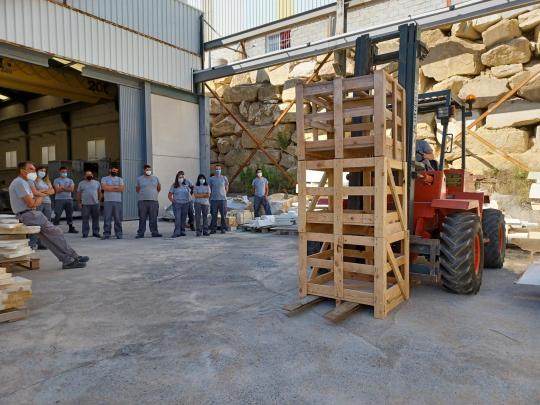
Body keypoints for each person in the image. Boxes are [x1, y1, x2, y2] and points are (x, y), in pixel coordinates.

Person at [9, 161, 88, 269]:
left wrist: (39, 194)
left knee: (48, 239)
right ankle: (74, 256)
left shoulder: (23, 182)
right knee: (56, 233)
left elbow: (37, 196)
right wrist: (42, 195)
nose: (34, 171)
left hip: (28, 214)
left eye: (34, 169)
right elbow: (32, 203)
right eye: (31, 169)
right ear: (22, 171)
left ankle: (68, 260)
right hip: (29, 214)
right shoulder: (20, 183)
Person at [28, 166, 55, 250]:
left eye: (44, 171)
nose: (43, 172)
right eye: (41, 170)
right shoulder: (32, 181)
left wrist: (41, 191)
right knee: (36, 223)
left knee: (45, 224)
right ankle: (32, 244)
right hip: (38, 203)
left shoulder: (46, 181)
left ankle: (42, 244)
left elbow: (52, 191)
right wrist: (46, 192)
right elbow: (34, 192)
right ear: (36, 171)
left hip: (47, 203)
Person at [135, 164, 162, 238]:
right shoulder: (139, 179)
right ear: (144, 170)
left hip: (153, 201)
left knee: (153, 218)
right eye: (147, 170)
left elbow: (159, 188)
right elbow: (137, 189)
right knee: (142, 218)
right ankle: (140, 233)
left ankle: (154, 232)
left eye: (150, 170)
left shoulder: (155, 178)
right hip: (142, 201)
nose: (148, 171)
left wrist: (153, 193)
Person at [101, 167, 124, 240]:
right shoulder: (104, 178)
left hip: (118, 201)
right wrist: (116, 187)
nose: (114, 171)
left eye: (116, 171)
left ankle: (119, 234)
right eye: (113, 170)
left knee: (118, 219)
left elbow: (121, 189)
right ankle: (106, 234)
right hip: (108, 201)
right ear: (110, 170)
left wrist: (109, 187)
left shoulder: (120, 179)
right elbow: (104, 188)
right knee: (107, 218)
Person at [52, 166, 78, 233]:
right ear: (59, 172)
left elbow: (71, 189)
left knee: (69, 214)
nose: (64, 173)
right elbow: (57, 190)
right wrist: (67, 188)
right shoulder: (56, 180)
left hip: (69, 199)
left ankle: (71, 227)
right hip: (59, 199)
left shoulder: (70, 180)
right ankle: (54, 228)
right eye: (62, 172)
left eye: (65, 172)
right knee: (57, 214)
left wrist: (62, 187)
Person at [77, 170, 101, 238]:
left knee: (96, 219)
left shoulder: (97, 183)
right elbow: (78, 193)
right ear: (84, 176)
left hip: (95, 204)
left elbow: (99, 192)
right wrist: (79, 202)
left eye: (90, 174)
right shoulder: (81, 183)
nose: (89, 176)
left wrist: (99, 201)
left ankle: (96, 233)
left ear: (92, 175)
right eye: (87, 175)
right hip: (85, 204)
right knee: (85, 219)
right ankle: (85, 233)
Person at [168, 171, 192, 237]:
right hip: (177, 204)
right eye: (180, 177)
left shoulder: (186, 186)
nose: (181, 178)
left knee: (183, 218)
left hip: (185, 204)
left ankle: (182, 231)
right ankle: (176, 232)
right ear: (177, 178)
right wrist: (173, 201)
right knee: (178, 218)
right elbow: (169, 195)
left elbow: (191, 193)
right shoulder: (174, 185)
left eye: (182, 177)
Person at [208, 164, 229, 234]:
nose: (218, 170)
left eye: (219, 169)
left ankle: (223, 228)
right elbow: (209, 189)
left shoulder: (224, 178)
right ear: (215, 170)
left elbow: (227, 186)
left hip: (222, 200)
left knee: (223, 215)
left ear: (221, 170)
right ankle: (213, 229)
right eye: (216, 169)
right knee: (214, 215)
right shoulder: (211, 179)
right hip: (214, 200)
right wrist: (209, 198)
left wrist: (225, 193)